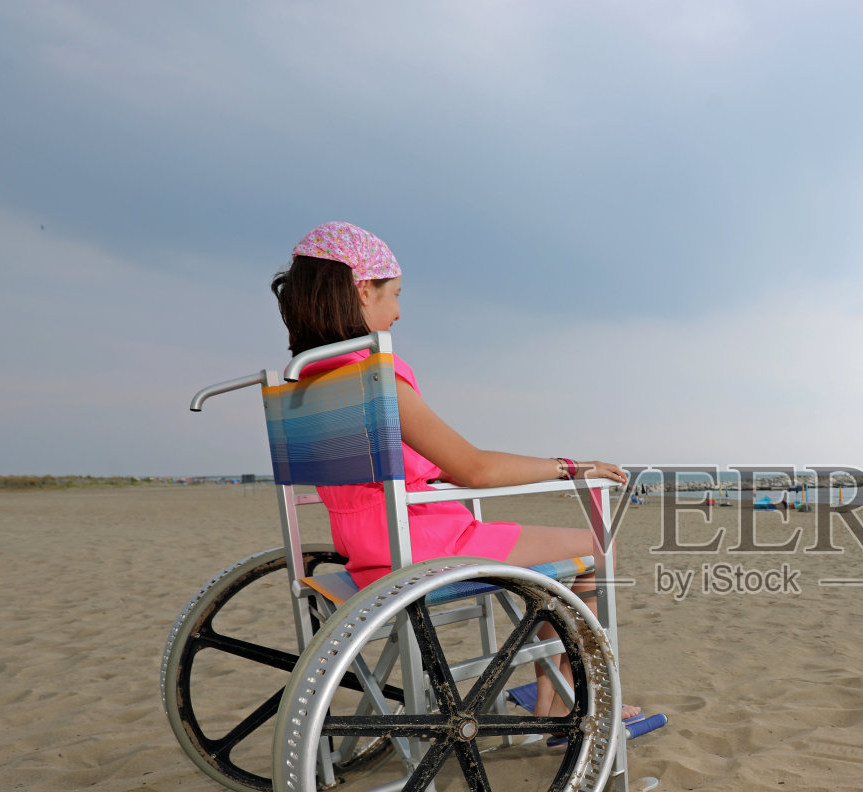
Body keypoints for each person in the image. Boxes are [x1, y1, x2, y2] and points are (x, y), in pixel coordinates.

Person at [271, 222, 638, 722]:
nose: (398, 312)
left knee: (555, 561)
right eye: (395, 294)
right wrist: (569, 467)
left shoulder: (304, 383)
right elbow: (475, 469)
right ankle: (573, 701)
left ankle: (553, 699)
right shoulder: (374, 376)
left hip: (364, 550)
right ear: (363, 290)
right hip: (420, 545)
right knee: (597, 546)